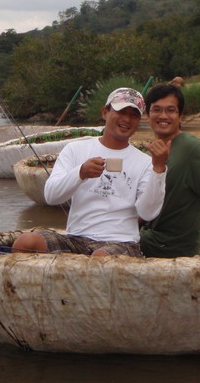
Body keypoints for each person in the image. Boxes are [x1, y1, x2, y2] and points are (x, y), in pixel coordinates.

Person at [12, 88, 169, 257]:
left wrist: (158, 169)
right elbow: (51, 196)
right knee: (26, 243)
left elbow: (147, 213)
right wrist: (80, 172)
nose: (127, 119)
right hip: (76, 238)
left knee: (100, 258)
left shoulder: (145, 162)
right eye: (121, 112)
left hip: (122, 242)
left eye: (134, 115)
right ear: (105, 112)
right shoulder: (75, 149)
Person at [139, 83, 200, 258]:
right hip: (147, 239)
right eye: (156, 110)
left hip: (171, 247)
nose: (163, 116)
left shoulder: (191, 148)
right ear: (148, 115)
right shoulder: (151, 151)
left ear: (180, 116)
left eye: (171, 110)